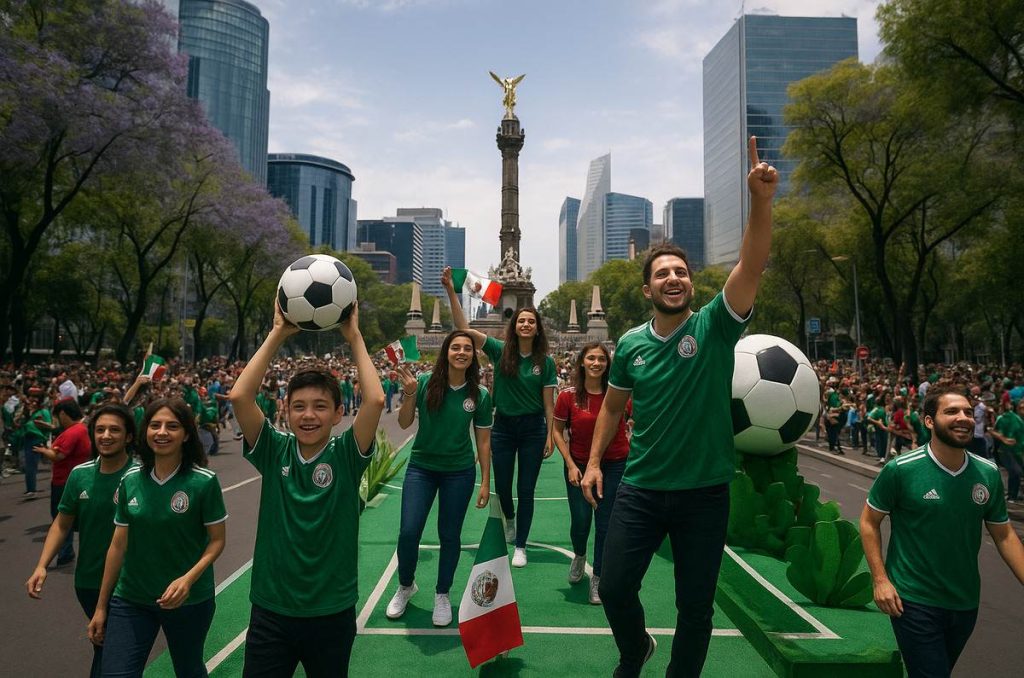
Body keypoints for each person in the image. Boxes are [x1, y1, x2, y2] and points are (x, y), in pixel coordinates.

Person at [582, 136, 777, 678]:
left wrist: (760, 201)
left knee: (696, 608)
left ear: (691, 283)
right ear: (647, 290)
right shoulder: (630, 345)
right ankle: (634, 649)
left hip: (704, 493)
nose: (674, 278)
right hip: (642, 488)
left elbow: (753, 264)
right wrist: (596, 461)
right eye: (662, 274)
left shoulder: (713, 325)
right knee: (616, 584)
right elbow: (613, 409)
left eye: (681, 272)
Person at [230, 300, 384, 677]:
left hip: (331, 611)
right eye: (298, 406)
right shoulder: (273, 449)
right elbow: (239, 397)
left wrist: (355, 337)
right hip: (271, 610)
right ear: (285, 411)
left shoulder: (347, 454)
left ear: (337, 413)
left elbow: (377, 399)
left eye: (319, 406)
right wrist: (278, 333)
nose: (309, 415)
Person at [860, 386, 1024, 678]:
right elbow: (870, 522)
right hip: (913, 599)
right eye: (951, 411)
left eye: (967, 412)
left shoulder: (987, 474)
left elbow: (1004, 535)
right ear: (929, 421)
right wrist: (881, 580)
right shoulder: (901, 470)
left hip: (964, 603)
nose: (963, 417)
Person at [87, 398, 227, 677]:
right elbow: (117, 545)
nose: (162, 432)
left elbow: (216, 541)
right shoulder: (130, 480)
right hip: (131, 597)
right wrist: (101, 606)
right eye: (155, 425)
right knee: (115, 672)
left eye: (172, 426)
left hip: (188, 600)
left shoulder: (203, 481)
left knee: (188, 668)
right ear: (145, 432)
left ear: (186, 434)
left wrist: (187, 579)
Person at [443, 266, 557, 569]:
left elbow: (549, 405)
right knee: (504, 486)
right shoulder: (499, 350)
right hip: (504, 427)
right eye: (522, 321)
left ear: (537, 328)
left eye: (531, 321)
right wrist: (452, 293)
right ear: (514, 325)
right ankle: (510, 519)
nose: (526, 325)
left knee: (527, 488)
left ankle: (520, 544)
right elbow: (464, 330)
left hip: (533, 427)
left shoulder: (544, 362)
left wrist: (550, 434)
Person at [385, 331, 493, 626]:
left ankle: (442, 594)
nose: (461, 352)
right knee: (408, 532)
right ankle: (406, 586)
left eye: (467, 349)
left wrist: (485, 482)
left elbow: (483, 441)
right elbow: (405, 422)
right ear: (446, 352)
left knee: (450, 535)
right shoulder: (423, 384)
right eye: (455, 347)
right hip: (422, 468)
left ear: (474, 355)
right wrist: (408, 394)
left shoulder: (479, 395)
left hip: (459, 473)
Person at [26, 403, 139, 678]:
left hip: (131, 583)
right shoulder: (80, 475)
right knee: (105, 648)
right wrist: (42, 565)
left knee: (114, 653)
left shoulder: (141, 475)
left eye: (114, 430)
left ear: (128, 437)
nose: (106, 435)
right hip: (88, 582)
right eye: (100, 430)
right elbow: (62, 523)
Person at [552, 342, 630, 605]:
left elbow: (631, 421)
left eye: (602, 359)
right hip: (580, 464)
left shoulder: (617, 394)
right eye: (591, 358)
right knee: (581, 521)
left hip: (615, 463)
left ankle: (598, 578)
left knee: (606, 524)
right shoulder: (568, 396)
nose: (597, 363)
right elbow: (557, 431)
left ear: (608, 364)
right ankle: (579, 554)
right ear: (582, 363)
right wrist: (571, 464)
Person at [33, 399, 94, 566]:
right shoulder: (81, 429)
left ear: (63, 414)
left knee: (61, 519)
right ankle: (67, 551)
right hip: (75, 479)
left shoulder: (72, 432)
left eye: (58, 417)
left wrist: (44, 450)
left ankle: (65, 552)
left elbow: (58, 455)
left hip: (64, 480)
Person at [993, 400, 1024, 503]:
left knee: (1016, 473)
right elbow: (995, 431)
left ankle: (1013, 495)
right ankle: (1011, 495)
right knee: (1015, 472)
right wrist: (1004, 440)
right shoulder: (1007, 418)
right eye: (1021, 407)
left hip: (1018, 451)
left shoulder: (1016, 419)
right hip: (1007, 451)